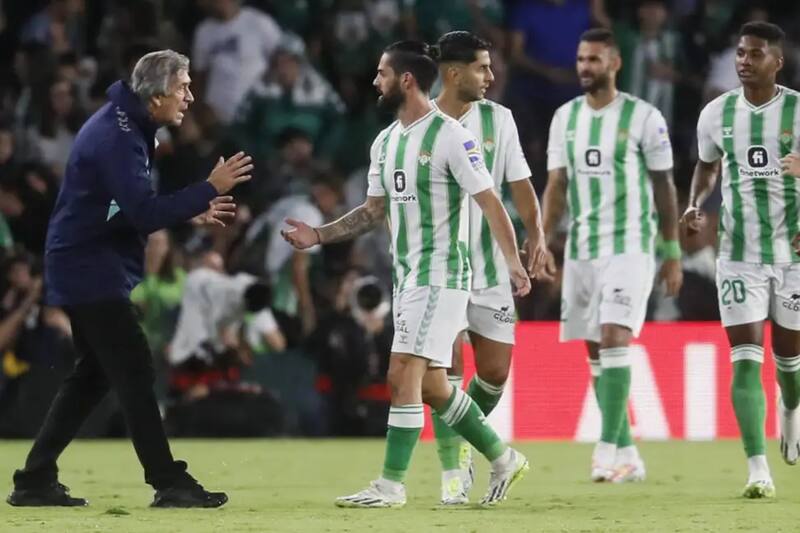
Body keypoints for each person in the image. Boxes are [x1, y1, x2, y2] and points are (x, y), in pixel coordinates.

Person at [282, 40, 531, 508]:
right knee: (435, 386)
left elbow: (491, 202)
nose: (375, 82)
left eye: (382, 74)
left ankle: (391, 485)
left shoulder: (452, 135)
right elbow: (372, 212)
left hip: (441, 275)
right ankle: (503, 458)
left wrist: (514, 260)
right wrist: (318, 235)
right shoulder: (386, 140)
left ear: (407, 80)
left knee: (401, 376)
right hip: (408, 276)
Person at [6, 49, 253, 508]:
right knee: (134, 367)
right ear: (157, 94)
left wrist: (187, 210)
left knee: (94, 376)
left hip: (83, 261)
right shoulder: (119, 137)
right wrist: (208, 188)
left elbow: (125, 206)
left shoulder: (126, 127)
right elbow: (140, 210)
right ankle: (168, 480)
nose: (189, 96)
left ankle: (34, 478)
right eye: (182, 87)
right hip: (88, 268)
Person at [541, 28, 682, 483]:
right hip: (583, 250)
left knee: (615, 335)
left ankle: (603, 448)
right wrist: (543, 240)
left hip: (631, 246)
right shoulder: (565, 117)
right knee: (596, 350)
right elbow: (557, 186)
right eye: (581, 59)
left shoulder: (645, 117)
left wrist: (672, 251)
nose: (585, 67)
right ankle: (626, 452)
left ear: (614, 63)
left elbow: (664, 187)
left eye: (594, 60)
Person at [427, 31, 547, 505]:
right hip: (442, 266)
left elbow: (519, 184)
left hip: (492, 266)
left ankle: (468, 438)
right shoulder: (422, 123)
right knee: (448, 368)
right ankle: (453, 472)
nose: (492, 76)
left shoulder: (500, 119)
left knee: (495, 373)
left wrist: (535, 232)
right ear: (454, 73)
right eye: (482, 67)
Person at [681, 22, 800, 499]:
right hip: (738, 255)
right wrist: (695, 202)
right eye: (740, 53)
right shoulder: (716, 112)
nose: (744, 61)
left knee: (789, 360)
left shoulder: (796, 109)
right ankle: (757, 469)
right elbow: (707, 165)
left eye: (755, 54)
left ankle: (790, 409)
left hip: (792, 254)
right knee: (746, 358)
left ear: (778, 62)